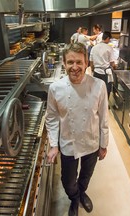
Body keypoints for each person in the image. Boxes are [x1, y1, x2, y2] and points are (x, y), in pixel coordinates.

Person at [45, 42, 109, 216]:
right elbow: (51, 118)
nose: (75, 67)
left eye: (79, 62)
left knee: (86, 176)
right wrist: (53, 144)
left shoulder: (99, 85)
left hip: (91, 141)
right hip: (68, 143)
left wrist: (104, 144)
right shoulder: (55, 88)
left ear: (86, 63)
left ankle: (81, 194)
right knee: (67, 181)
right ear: (64, 64)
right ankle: (74, 196)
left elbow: (104, 117)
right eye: (70, 62)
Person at [90, 31, 116, 98]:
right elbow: (112, 63)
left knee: (96, 91)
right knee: (106, 91)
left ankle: (97, 105)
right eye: (109, 39)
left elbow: (91, 62)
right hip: (105, 73)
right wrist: (115, 66)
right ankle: (105, 105)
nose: (109, 41)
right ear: (107, 38)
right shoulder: (109, 48)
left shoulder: (94, 48)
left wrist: (93, 70)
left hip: (96, 72)